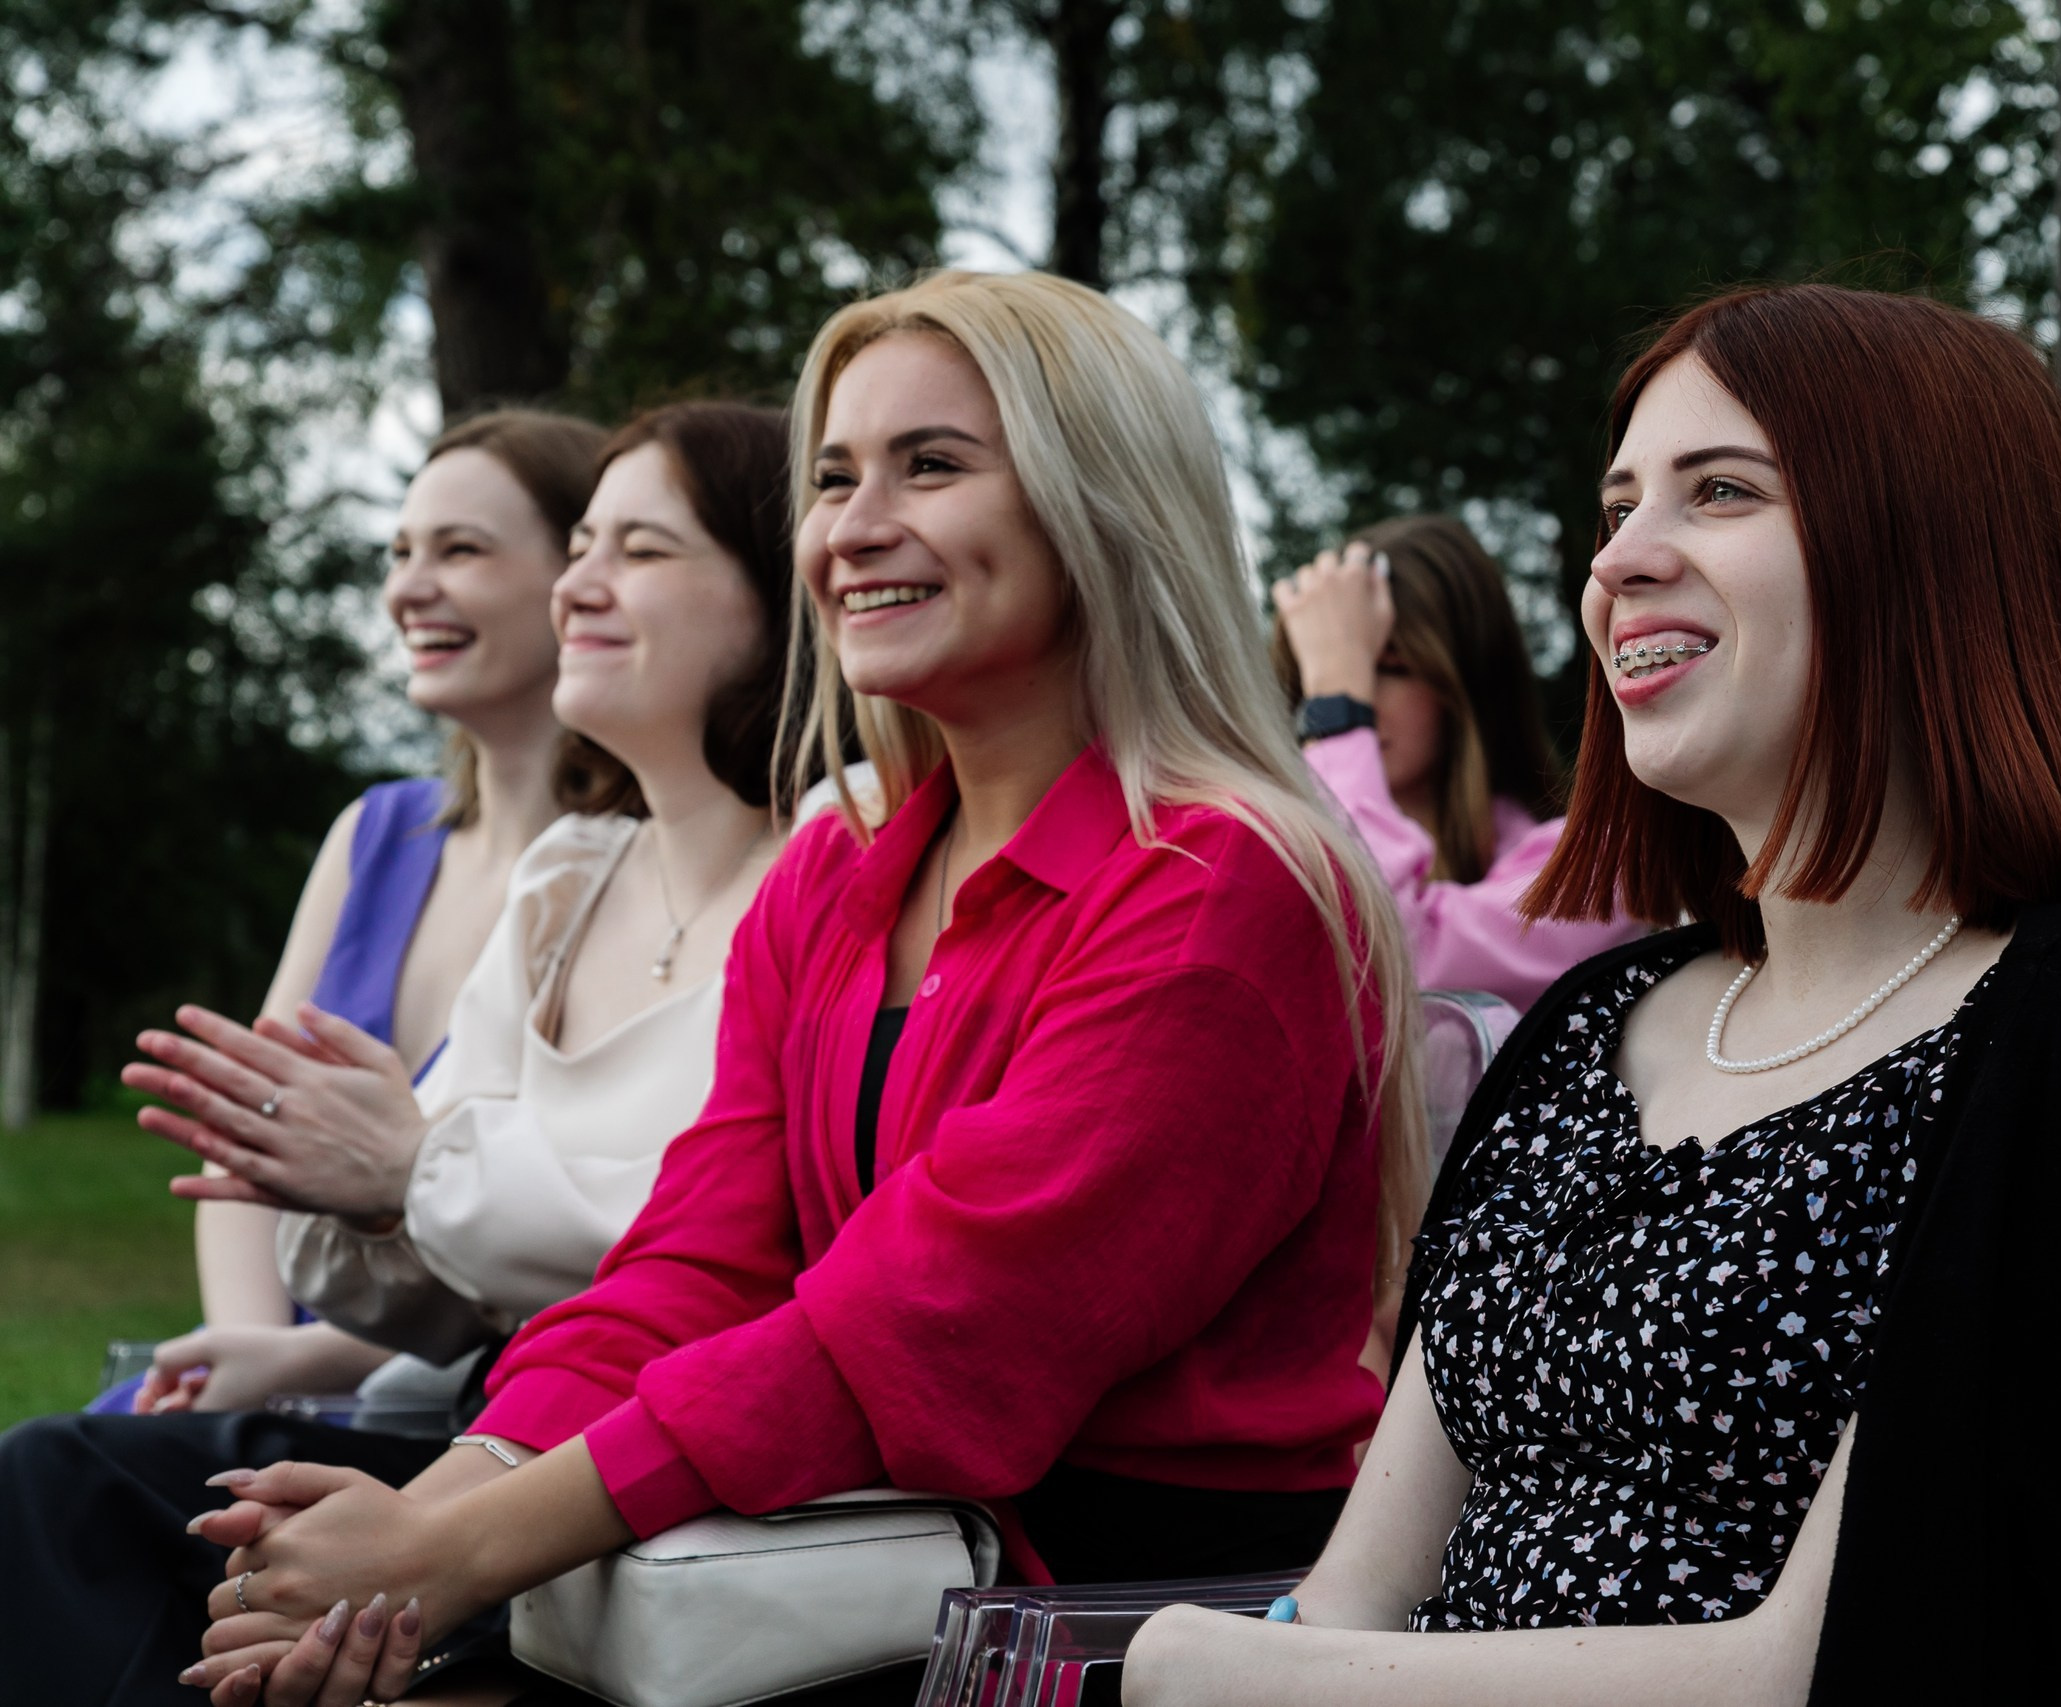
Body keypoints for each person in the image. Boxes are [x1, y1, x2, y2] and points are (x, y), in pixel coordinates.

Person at [176, 270, 1425, 1707]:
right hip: (836, 1561)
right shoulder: (839, 869)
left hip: (1118, 1624)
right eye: (833, 476)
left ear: (1102, 500)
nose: (853, 527)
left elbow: (918, 1334)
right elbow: (694, 1263)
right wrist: (443, 1510)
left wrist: (459, 1547)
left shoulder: (1221, 885)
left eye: (933, 464)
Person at [1122, 284, 2061, 1707]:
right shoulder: (1592, 1021)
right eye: (1616, 507)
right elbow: (1359, 1588)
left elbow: (1843, 1662)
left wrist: (1220, 1667)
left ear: (1932, 549)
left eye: (1720, 491)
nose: (1620, 563)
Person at [0, 401, 803, 1704]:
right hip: (493, 1398)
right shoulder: (570, 875)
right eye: (583, 545)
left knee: (92, 1520)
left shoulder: (837, 863)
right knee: (66, 1489)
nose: (582, 587)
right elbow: (417, 1270)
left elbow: (716, 1250)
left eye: (638, 549)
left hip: (629, 1452)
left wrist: (412, 1170)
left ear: (779, 596)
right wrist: (342, 1190)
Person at [110, 409, 606, 1418]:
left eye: (460, 551)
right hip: (260, 1381)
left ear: (583, 576)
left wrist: (308, 1373)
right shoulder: (373, 836)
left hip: (455, 1410)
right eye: (400, 551)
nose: (406, 589)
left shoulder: (644, 872)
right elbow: (244, 1138)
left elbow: (560, 1244)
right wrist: (243, 1364)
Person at [1272, 518, 1646, 1012]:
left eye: (1391, 667)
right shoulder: (1258, 856)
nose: (1361, 699)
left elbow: (1387, 950)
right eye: (1322, 674)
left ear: (1467, 684)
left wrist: (1338, 711)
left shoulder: (1593, 872)